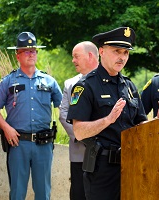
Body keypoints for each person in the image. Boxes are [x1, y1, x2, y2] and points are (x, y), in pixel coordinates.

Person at [66, 27, 159, 200]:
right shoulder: (86, 86)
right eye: (116, 51)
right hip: (102, 169)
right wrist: (108, 120)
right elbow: (79, 131)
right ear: (101, 52)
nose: (122, 57)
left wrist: (158, 120)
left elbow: (138, 126)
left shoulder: (128, 86)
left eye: (125, 52)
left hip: (131, 165)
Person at [0, 32, 62, 200]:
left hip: (43, 145)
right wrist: (6, 128)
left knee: (43, 192)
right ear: (18, 55)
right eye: (26, 51)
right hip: (18, 144)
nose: (31, 54)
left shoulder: (49, 81)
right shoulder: (8, 81)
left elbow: (63, 107)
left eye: (34, 51)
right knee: (17, 192)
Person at [59, 41, 99, 200]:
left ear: (90, 56)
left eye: (76, 56)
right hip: (79, 154)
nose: (73, 60)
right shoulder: (71, 84)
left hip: (105, 154)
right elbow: (63, 114)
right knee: (79, 193)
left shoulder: (109, 82)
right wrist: (84, 137)